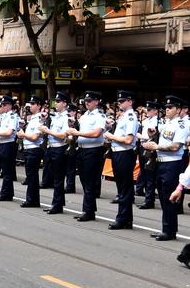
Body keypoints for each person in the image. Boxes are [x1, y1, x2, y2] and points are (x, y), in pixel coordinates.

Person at [143, 95, 186, 241]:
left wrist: (157, 146)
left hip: (172, 163)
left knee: (169, 197)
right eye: (166, 108)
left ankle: (169, 230)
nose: (167, 110)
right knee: (162, 195)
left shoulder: (181, 125)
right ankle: (166, 227)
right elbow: (158, 137)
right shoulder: (166, 123)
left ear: (178, 110)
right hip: (162, 162)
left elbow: (175, 146)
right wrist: (152, 137)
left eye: (170, 107)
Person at [105, 89, 139, 230]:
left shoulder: (131, 116)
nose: (120, 103)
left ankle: (123, 219)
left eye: (122, 101)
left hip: (125, 153)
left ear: (129, 102)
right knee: (122, 188)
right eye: (119, 101)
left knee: (124, 188)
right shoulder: (123, 116)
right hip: (119, 153)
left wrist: (111, 137)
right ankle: (126, 219)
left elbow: (128, 139)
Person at [69, 90, 106, 222]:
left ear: (96, 101)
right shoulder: (84, 116)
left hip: (93, 150)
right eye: (85, 101)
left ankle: (88, 211)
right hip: (82, 149)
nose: (87, 103)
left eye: (89, 101)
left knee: (90, 181)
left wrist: (78, 133)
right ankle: (90, 209)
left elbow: (96, 133)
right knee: (84, 180)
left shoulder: (99, 116)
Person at [40, 91, 70, 215]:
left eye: (58, 102)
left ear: (65, 104)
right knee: (54, 177)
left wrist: (48, 131)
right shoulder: (56, 116)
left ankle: (57, 205)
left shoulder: (66, 118)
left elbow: (63, 135)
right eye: (55, 101)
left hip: (60, 148)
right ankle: (57, 203)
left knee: (58, 178)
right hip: (52, 147)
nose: (56, 104)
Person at [0, 94, 19, 201]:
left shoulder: (12, 117)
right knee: (5, 170)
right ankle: (8, 192)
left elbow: (9, 132)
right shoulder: (4, 116)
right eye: (2, 105)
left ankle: (5, 193)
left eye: (4, 105)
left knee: (7, 170)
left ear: (10, 106)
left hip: (8, 144)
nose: (3, 107)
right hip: (2, 144)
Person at [17, 95, 45, 208]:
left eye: (33, 104)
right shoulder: (32, 118)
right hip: (29, 149)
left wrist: (23, 135)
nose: (31, 106)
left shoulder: (39, 119)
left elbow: (35, 137)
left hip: (34, 149)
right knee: (30, 175)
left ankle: (32, 200)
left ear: (39, 106)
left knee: (32, 176)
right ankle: (32, 199)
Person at [136, 100, 160, 210]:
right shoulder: (147, 120)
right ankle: (147, 197)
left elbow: (151, 137)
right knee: (144, 173)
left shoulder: (157, 122)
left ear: (155, 111)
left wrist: (141, 136)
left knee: (150, 175)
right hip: (142, 147)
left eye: (149, 110)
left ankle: (149, 200)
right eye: (147, 110)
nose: (147, 112)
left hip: (149, 148)